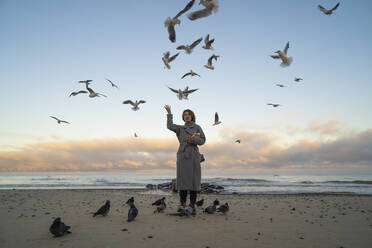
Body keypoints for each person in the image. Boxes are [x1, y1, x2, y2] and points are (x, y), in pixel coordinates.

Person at [164, 105, 206, 213]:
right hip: (182, 156)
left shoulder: (197, 127)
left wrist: (193, 139)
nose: (187, 116)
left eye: (188, 114)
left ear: (192, 116)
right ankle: (182, 204)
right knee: (182, 181)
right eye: (185, 115)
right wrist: (169, 113)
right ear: (183, 117)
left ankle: (192, 205)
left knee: (194, 181)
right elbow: (169, 126)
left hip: (193, 156)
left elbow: (203, 140)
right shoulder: (180, 128)